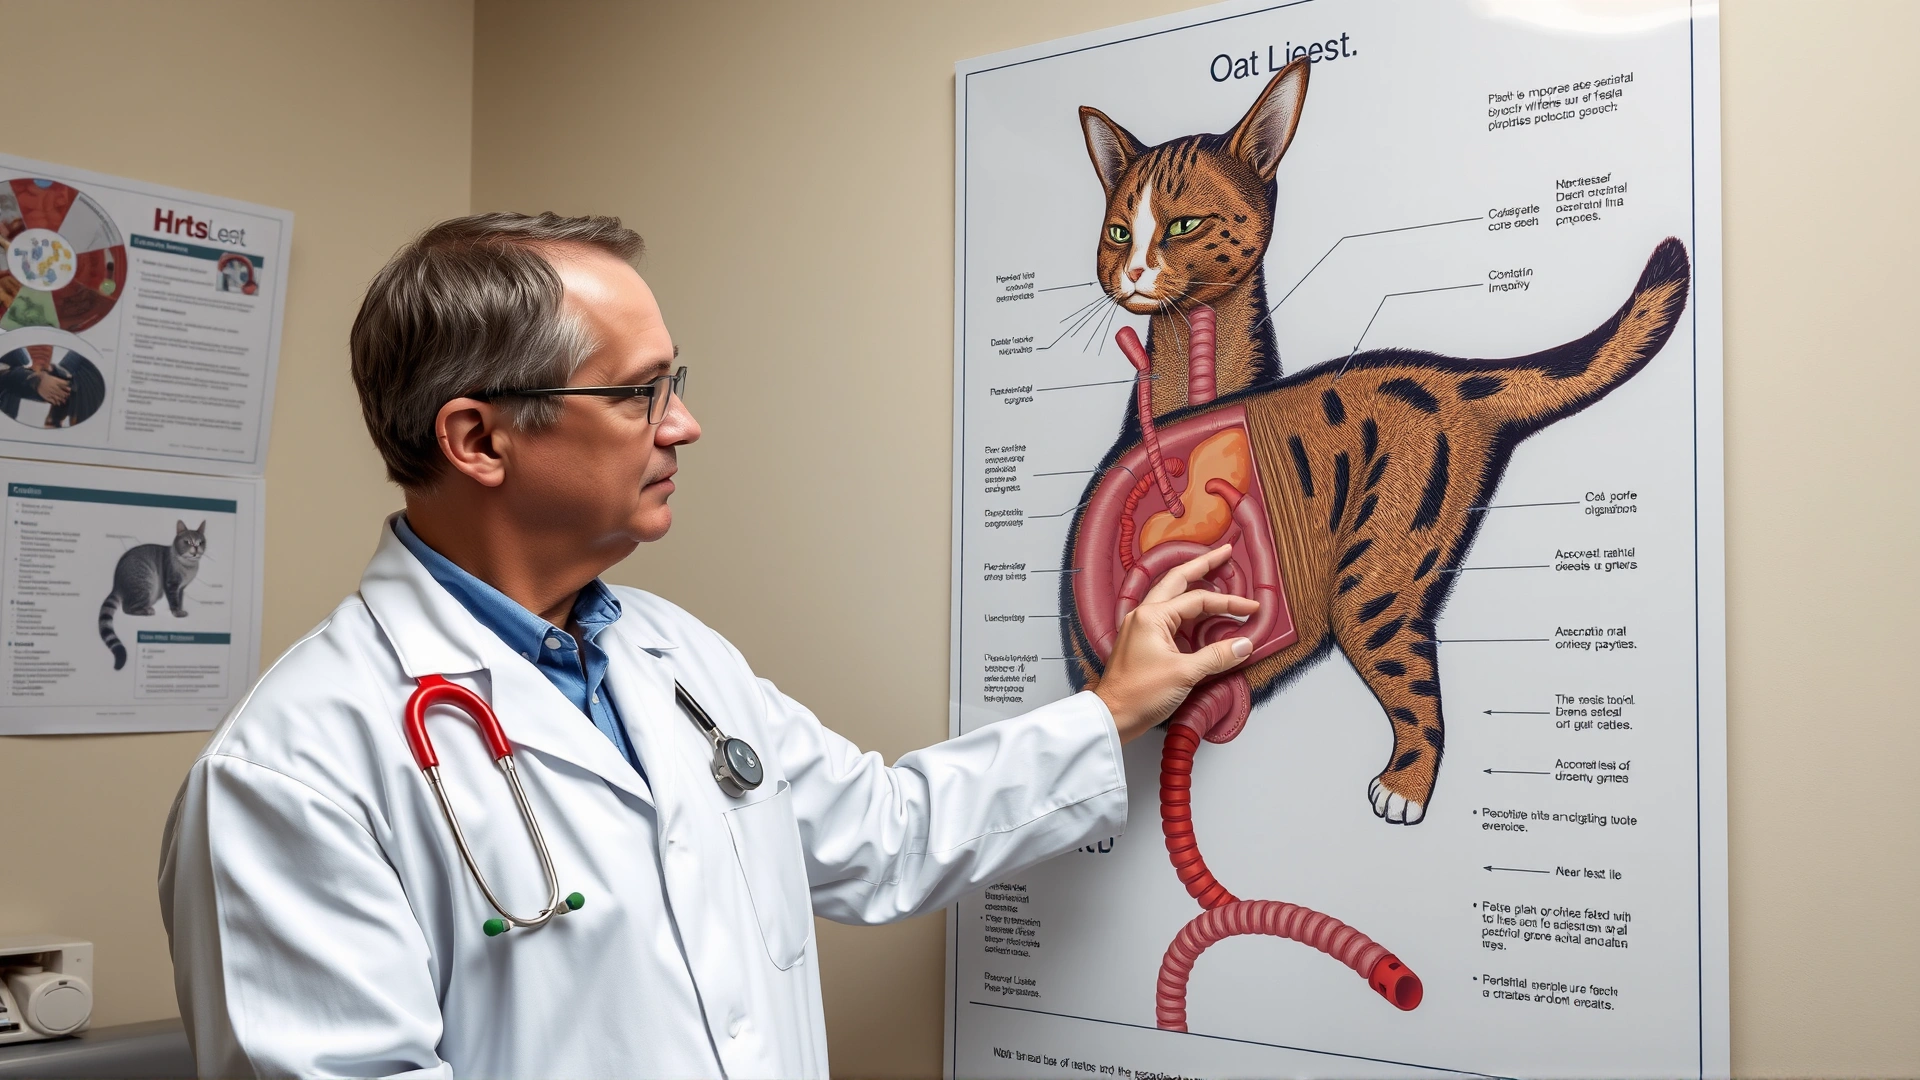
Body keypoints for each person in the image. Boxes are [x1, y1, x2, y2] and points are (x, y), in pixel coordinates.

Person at [158, 213, 1256, 1078]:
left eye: (676, 384)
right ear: (478, 437)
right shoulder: (292, 775)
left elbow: (880, 832)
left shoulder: (675, 659)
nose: (684, 425)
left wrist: (1110, 711)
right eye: (641, 393)